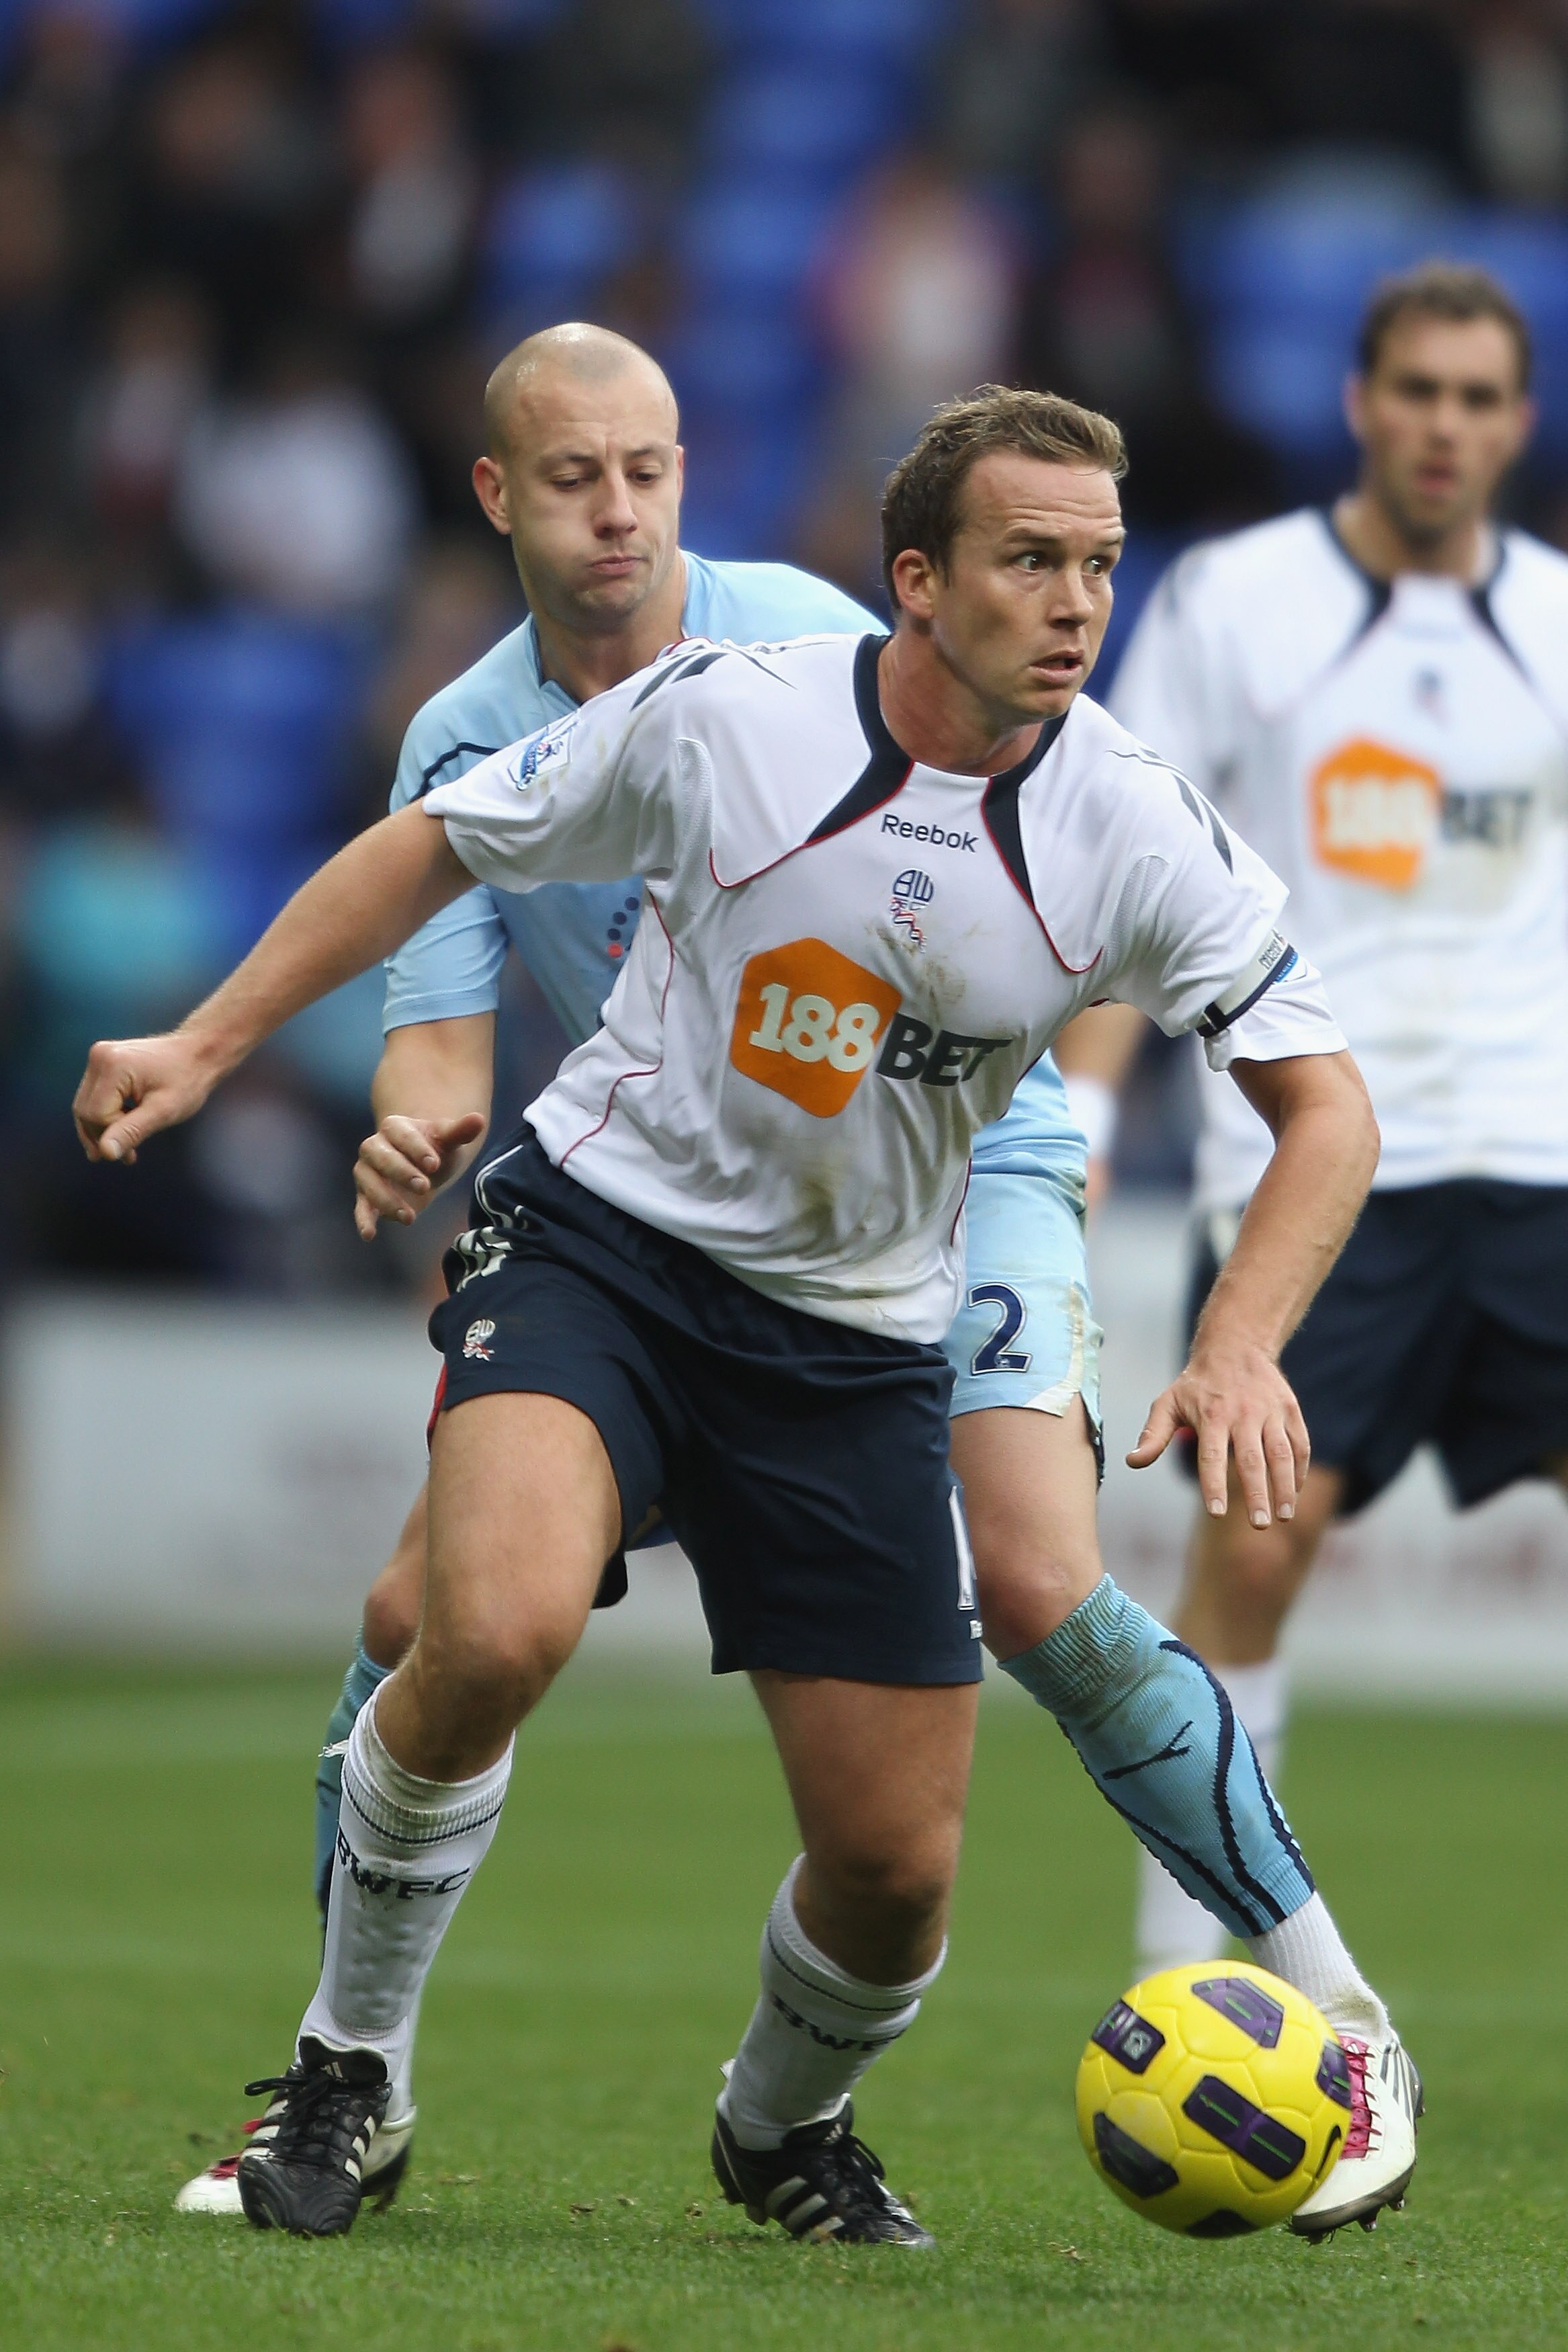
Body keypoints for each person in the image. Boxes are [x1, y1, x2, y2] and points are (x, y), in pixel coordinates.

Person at [75, 385, 1410, 2247]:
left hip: (859, 1335)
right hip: (605, 1249)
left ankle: (781, 2126)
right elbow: (440, 846)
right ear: (918, 580)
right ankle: (348, 2069)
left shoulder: (1130, 821)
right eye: (1032, 560)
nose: (1076, 602)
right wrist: (207, 1040)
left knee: (893, 1869)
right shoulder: (731, 715)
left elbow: (1327, 1103)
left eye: (1101, 564)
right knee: (489, 1623)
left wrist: (1245, 1334)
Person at [1108, 260, 1568, 1991]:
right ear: (1363, 402)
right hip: (1311, 1156)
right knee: (1259, 1548)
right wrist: (1077, 1108)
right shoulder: (1235, 602)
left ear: (1517, 424)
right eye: (1417, 390)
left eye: (1478, 397)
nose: (1445, 426)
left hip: (1541, 1150)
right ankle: (1192, 1976)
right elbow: (1119, 868)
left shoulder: (1562, 621)